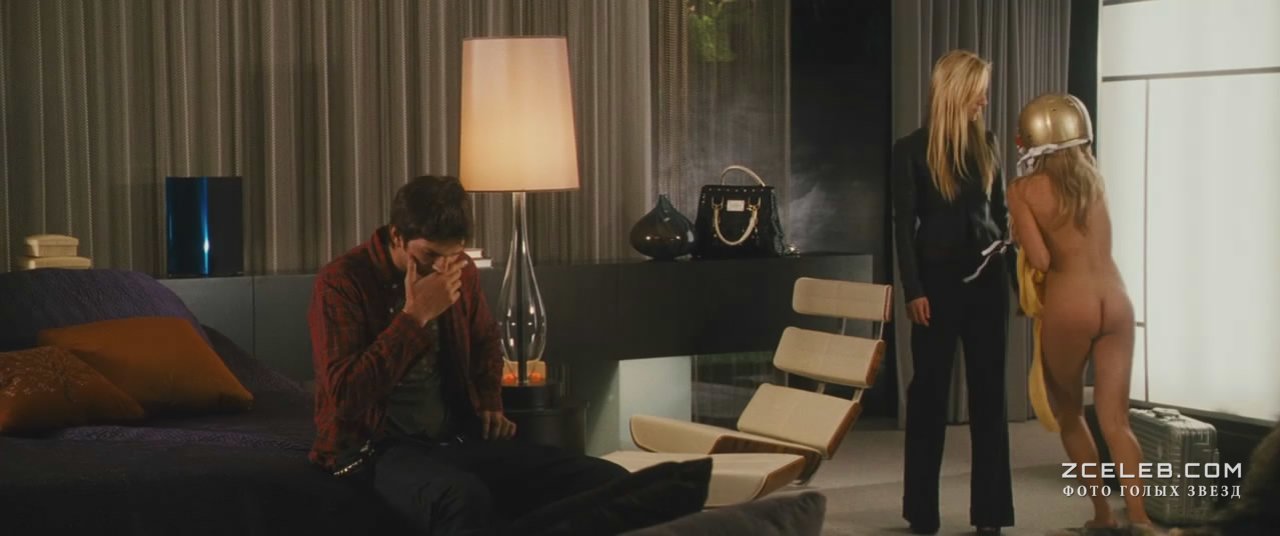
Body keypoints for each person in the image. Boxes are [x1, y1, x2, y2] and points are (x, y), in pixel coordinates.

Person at [307, 175, 629, 535]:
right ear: (397, 236)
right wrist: (415, 317)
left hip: (453, 438)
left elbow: (485, 338)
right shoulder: (342, 282)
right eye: (429, 256)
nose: (443, 268)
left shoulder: (461, 271)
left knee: (604, 479)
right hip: (374, 448)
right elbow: (345, 396)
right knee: (462, 498)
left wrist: (490, 399)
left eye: (453, 255)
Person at [1008, 94, 1152, 530]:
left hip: (1070, 305)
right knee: (1116, 421)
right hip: (1116, 301)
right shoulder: (1095, 181)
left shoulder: (1022, 191)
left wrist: (1018, 235)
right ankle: (1141, 519)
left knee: (1070, 414)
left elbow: (1041, 259)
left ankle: (1103, 516)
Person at [892, 49, 1015, 535]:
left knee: (990, 397)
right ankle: (921, 513)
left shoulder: (989, 144)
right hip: (936, 288)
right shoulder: (911, 150)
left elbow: (1001, 215)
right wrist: (913, 290)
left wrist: (1017, 282)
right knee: (927, 397)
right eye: (979, 90)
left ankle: (991, 515)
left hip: (988, 283)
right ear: (958, 91)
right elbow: (904, 229)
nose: (985, 100)